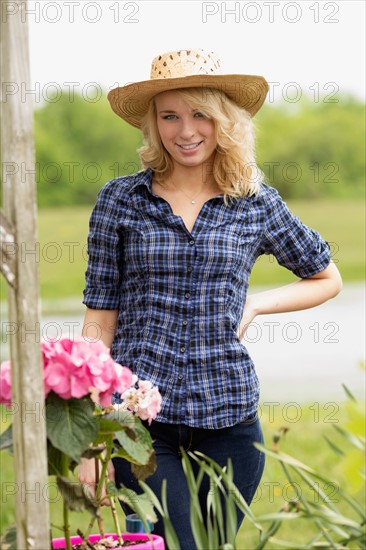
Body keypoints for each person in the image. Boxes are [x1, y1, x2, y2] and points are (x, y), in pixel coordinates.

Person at [79, 49, 342, 548]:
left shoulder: (255, 201)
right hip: (141, 425)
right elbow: (99, 319)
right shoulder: (120, 200)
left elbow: (325, 277)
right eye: (169, 115)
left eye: (200, 113)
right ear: (153, 125)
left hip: (231, 422)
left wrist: (257, 304)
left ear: (225, 121)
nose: (185, 130)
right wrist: (94, 433)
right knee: (184, 543)